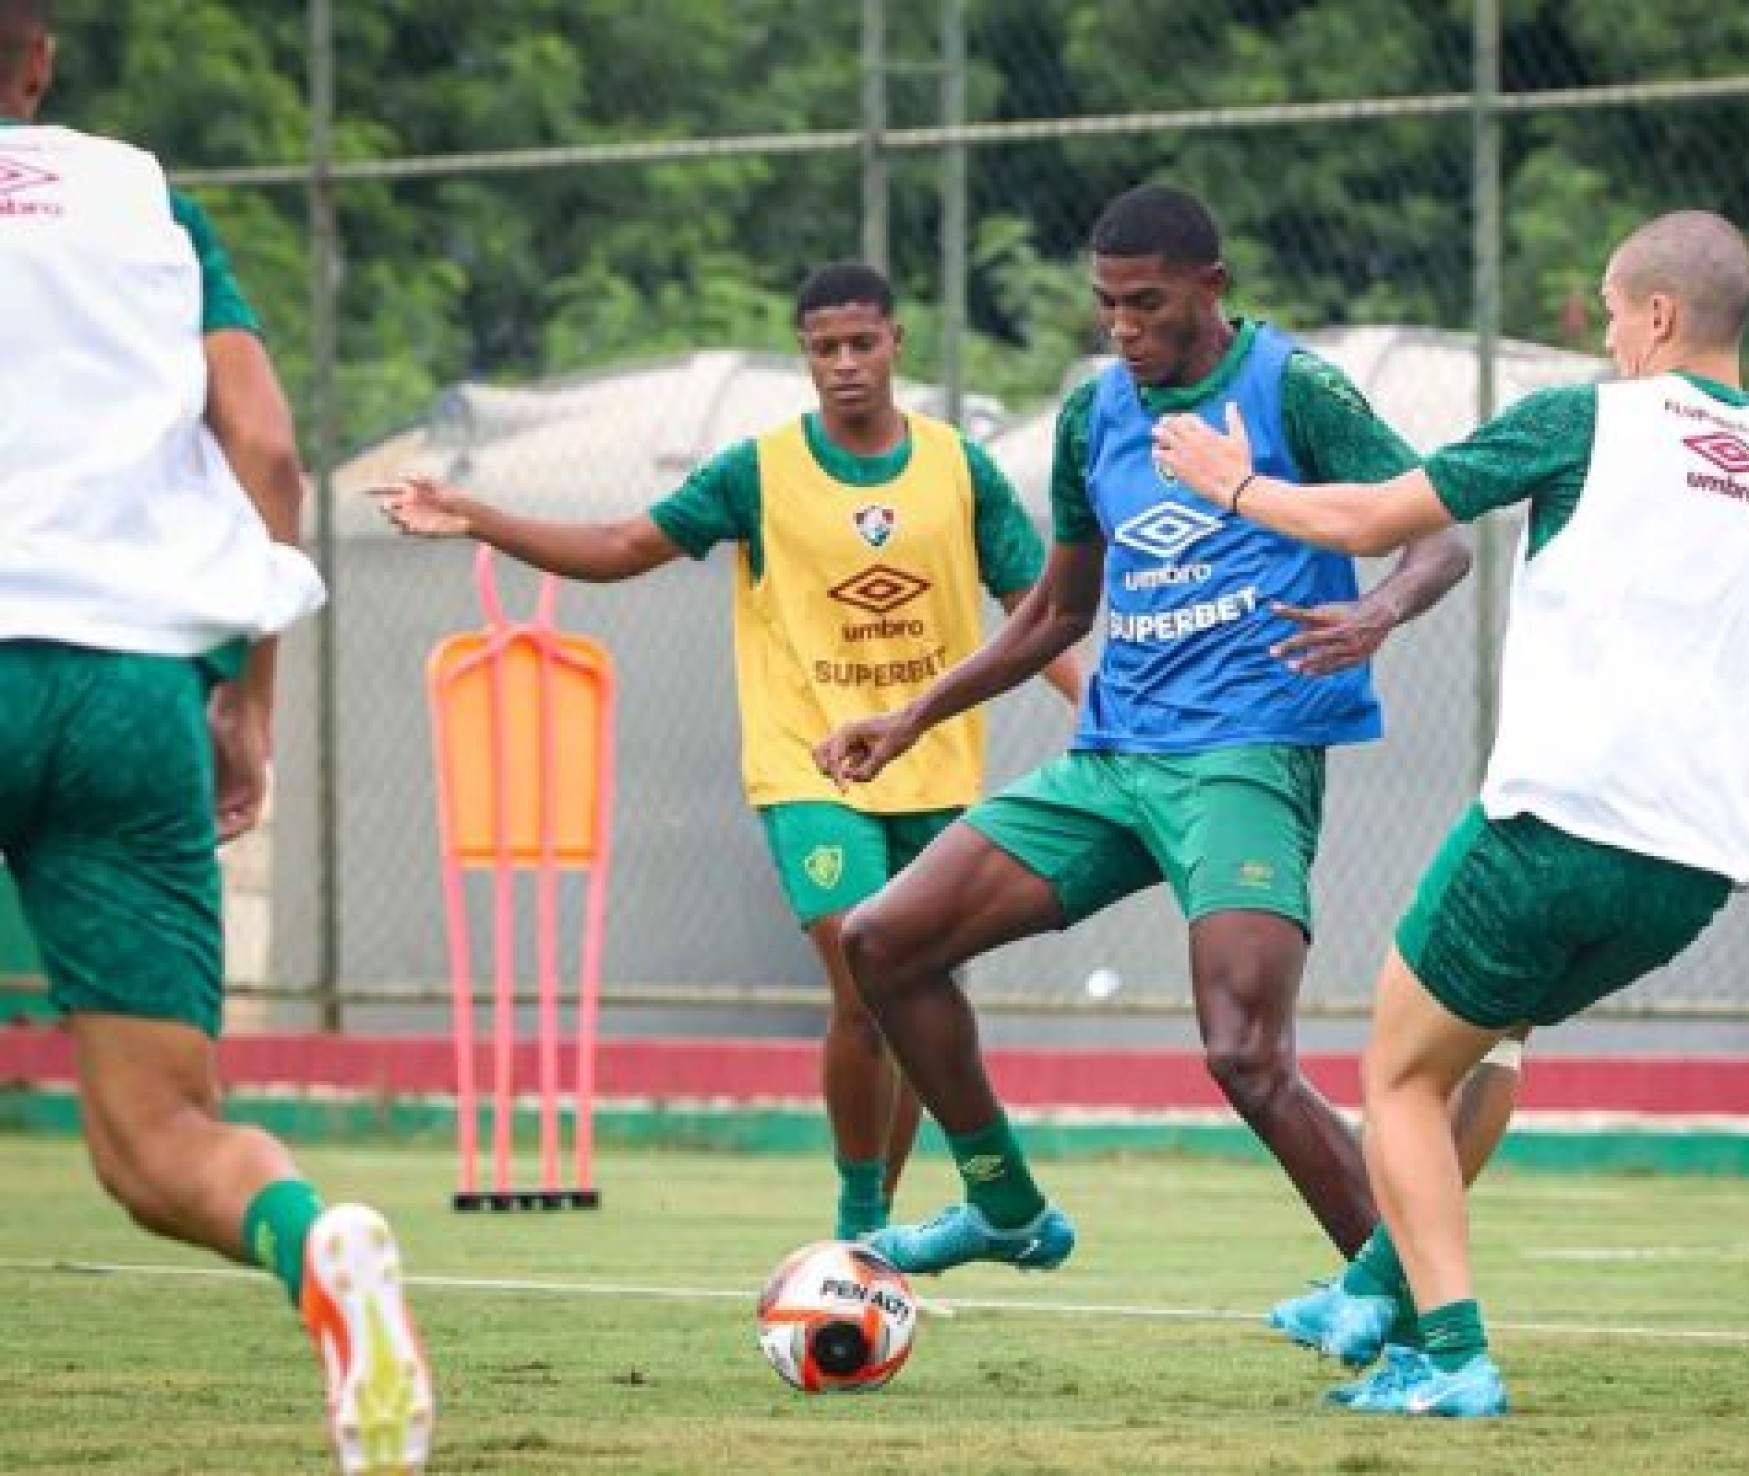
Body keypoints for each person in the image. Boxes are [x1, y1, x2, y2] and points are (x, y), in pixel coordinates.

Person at [1155, 209, 1749, 1418]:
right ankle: (1370, 1285)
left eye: (1615, 311)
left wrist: (1232, 481)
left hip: (1556, 821)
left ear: (1658, 315)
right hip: (1697, 863)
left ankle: (1446, 1352)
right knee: (1493, 1040)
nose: (1611, 333)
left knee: (1401, 1076)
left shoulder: (1587, 420)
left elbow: (1373, 519)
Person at [813, 184, 1471, 1276]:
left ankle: (1409, 1310)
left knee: (1243, 1055)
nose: (1121, 328)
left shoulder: (1292, 388)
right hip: (1112, 762)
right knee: (881, 942)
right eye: (1105, 304)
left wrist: (1376, 608)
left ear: (1209, 289)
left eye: (1145, 303)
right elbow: (1059, 612)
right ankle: (1004, 1204)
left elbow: (1436, 540)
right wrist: (911, 713)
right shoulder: (1092, 414)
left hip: (1244, 757)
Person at [375, 262, 1081, 1240]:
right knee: (864, 979)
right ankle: (857, 1219)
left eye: (860, 344)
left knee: (915, 994)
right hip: (810, 767)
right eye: (822, 348)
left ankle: (876, 1249)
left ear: (895, 344)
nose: (842, 365)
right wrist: (476, 516)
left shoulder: (957, 469)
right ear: (805, 355)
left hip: (933, 768)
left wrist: (1107, 707)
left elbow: (1036, 612)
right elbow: (624, 546)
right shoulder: (757, 471)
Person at [0, 3, 434, 1471]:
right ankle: (317, 1243)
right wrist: (245, 693)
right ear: (40, 64)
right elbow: (267, 453)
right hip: (129, 682)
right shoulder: (146, 200)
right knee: (158, 1137)